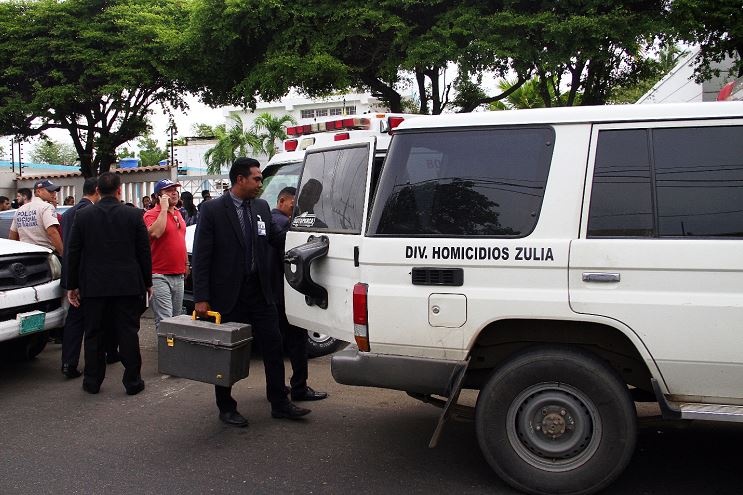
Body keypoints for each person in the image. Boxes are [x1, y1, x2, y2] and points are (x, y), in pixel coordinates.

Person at [192, 157, 310, 427]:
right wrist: (201, 298)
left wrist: (302, 234)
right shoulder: (212, 210)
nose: (260, 183)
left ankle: (279, 402)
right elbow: (201, 257)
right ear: (240, 179)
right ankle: (226, 406)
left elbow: (273, 238)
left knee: (273, 345)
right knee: (226, 352)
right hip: (227, 295)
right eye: (256, 178)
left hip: (260, 292)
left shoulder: (260, 207)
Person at [66, 172, 152, 395]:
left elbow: (73, 252)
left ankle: (92, 381)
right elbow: (144, 252)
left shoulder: (83, 217)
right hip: (127, 284)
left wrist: (72, 285)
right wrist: (147, 282)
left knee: (94, 333)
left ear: (97, 191)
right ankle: (132, 381)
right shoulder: (134, 215)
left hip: (94, 285)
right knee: (128, 332)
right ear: (119, 190)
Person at [269, 187, 327, 402]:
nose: (296, 210)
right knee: (297, 343)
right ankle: (299, 388)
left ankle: (278, 387)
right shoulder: (286, 225)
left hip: (273, 293)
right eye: (294, 205)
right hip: (289, 291)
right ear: (282, 201)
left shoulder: (270, 221)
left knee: (277, 345)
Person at [60, 178, 102, 378]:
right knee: (95, 322)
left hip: (73, 274)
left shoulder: (68, 214)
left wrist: (71, 281)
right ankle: (98, 362)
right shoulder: (93, 213)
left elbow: (69, 249)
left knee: (74, 321)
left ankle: (69, 362)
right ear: (96, 190)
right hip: (91, 277)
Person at [143, 179, 188, 331]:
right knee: (165, 320)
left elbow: (181, 240)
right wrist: (163, 209)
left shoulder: (178, 213)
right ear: (158, 196)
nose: (174, 192)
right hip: (159, 275)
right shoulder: (151, 214)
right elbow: (156, 232)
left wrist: (186, 264)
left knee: (177, 319)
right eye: (169, 190)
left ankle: (173, 353)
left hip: (178, 274)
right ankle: (166, 354)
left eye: (175, 189)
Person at [9, 180, 63, 256]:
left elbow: (12, 236)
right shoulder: (47, 207)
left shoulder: (20, 210)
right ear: (38, 191)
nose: (54, 194)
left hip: (24, 254)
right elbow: (52, 232)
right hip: (44, 254)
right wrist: (62, 254)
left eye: (54, 191)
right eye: (50, 191)